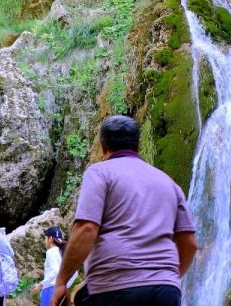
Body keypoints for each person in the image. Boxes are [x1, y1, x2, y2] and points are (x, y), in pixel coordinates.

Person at [51, 115, 198, 306]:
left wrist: (61, 281)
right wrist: (168, 277)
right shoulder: (169, 183)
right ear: (138, 144)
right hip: (165, 291)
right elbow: (190, 243)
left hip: (114, 287)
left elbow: (87, 228)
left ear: (103, 147)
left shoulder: (100, 173)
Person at [33, 226, 72, 306]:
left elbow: (55, 271)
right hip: (61, 290)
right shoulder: (63, 252)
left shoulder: (50, 252)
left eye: (45, 238)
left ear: (50, 238)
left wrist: (41, 284)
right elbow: (75, 272)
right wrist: (65, 285)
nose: (44, 241)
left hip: (49, 290)